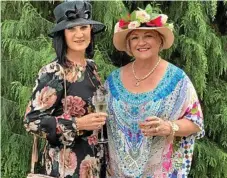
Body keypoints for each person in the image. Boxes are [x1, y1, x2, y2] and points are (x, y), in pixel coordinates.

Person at [105, 5, 205, 178]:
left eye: (148, 36)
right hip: (116, 174)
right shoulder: (112, 80)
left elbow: (195, 123)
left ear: (160, 41)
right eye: (134, 37)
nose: (141, 42)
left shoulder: (178, 80)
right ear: (128, 45)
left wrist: (169, 127)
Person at [24, 1, 107, 178]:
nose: (79, 34)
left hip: (94, 165)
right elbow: (31, 121)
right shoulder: (54, 72)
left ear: (91, 30)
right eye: (71, 29)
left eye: (84, 27)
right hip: (64, 168)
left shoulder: (92, 68)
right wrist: (78, 124)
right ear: (62, 34)